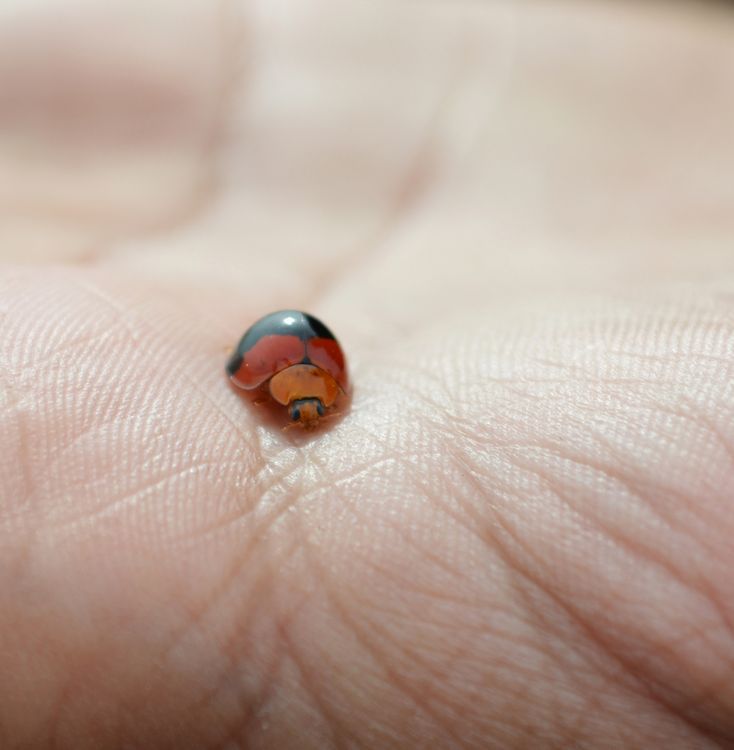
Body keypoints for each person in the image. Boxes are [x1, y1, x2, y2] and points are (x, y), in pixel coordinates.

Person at [0, 0, 732, 747]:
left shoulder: (302, 382)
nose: (308, 420)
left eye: (310, 411)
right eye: (307, 411)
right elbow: (264, 376)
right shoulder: (289, 378)